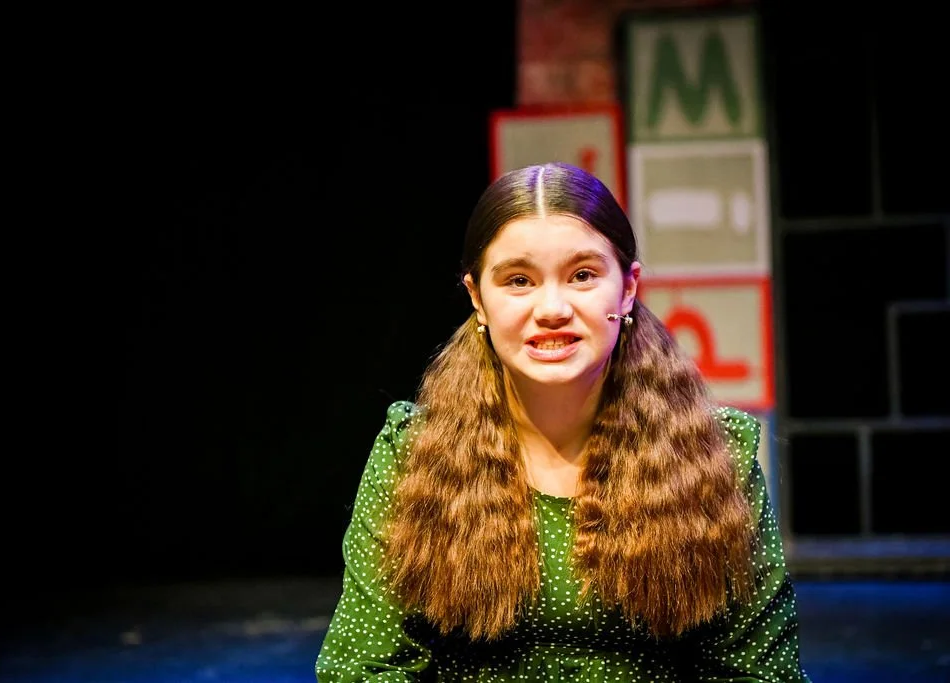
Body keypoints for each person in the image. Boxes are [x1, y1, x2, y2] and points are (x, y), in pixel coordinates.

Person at [315, 162, 811, 681]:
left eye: (582, 276)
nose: (551, 308)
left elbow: (761, 671)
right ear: (477, 299)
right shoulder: (411, 454)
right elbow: (364, 671)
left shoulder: (717, 454)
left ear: (626, 289)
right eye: (519, 281)